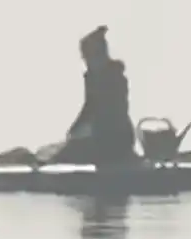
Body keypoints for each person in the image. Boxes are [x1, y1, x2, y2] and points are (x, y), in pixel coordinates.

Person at [55, 26, 138, 166]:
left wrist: (85, 131)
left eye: (87, 57)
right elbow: (89, 107)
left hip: (116, 139)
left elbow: (108, 112)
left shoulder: (114, 78)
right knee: (64, 151)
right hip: (101, 137)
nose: (86, 62)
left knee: (68, 154)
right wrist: (75, 128)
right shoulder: (93, 78)